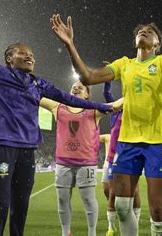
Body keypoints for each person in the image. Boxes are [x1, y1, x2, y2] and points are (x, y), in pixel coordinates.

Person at [0, 0, 112, 236]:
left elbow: (69, 98)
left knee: (21, 207)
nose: (30, 56)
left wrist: (101, 106)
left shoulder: (37, 83)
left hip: (27, 151)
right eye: (23, 53)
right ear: (9, 58)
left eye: (32, 54)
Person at [50, 13, 162, 235]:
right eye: (141, 30)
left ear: (157, 44)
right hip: (127, 143)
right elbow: (88, 77)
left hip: (157, 143)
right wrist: (70, 45)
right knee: (120, 205)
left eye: (151, 31)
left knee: (157, 210)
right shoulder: (124, 64)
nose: (144, 31)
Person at [40, 81, 117, 236]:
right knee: (62, 200)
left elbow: (115, 105)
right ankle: (65, 232)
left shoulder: (95, 110)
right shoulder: (58, 107)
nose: (75, 87)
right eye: (73, 86)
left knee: (88, 200)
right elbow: (36, 95)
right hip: (63, 163)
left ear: (87, 94)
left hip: (86, 164)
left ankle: (91, 233)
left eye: (80, 87)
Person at [101, 81, 141, 236]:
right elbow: (107, 96)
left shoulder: (137, 114)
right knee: (109, 192)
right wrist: (108, 80)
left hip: (131, 159)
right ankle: (112, 226)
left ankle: (134, 223)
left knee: (135, 193)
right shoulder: (116, 113)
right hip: (112, 159)